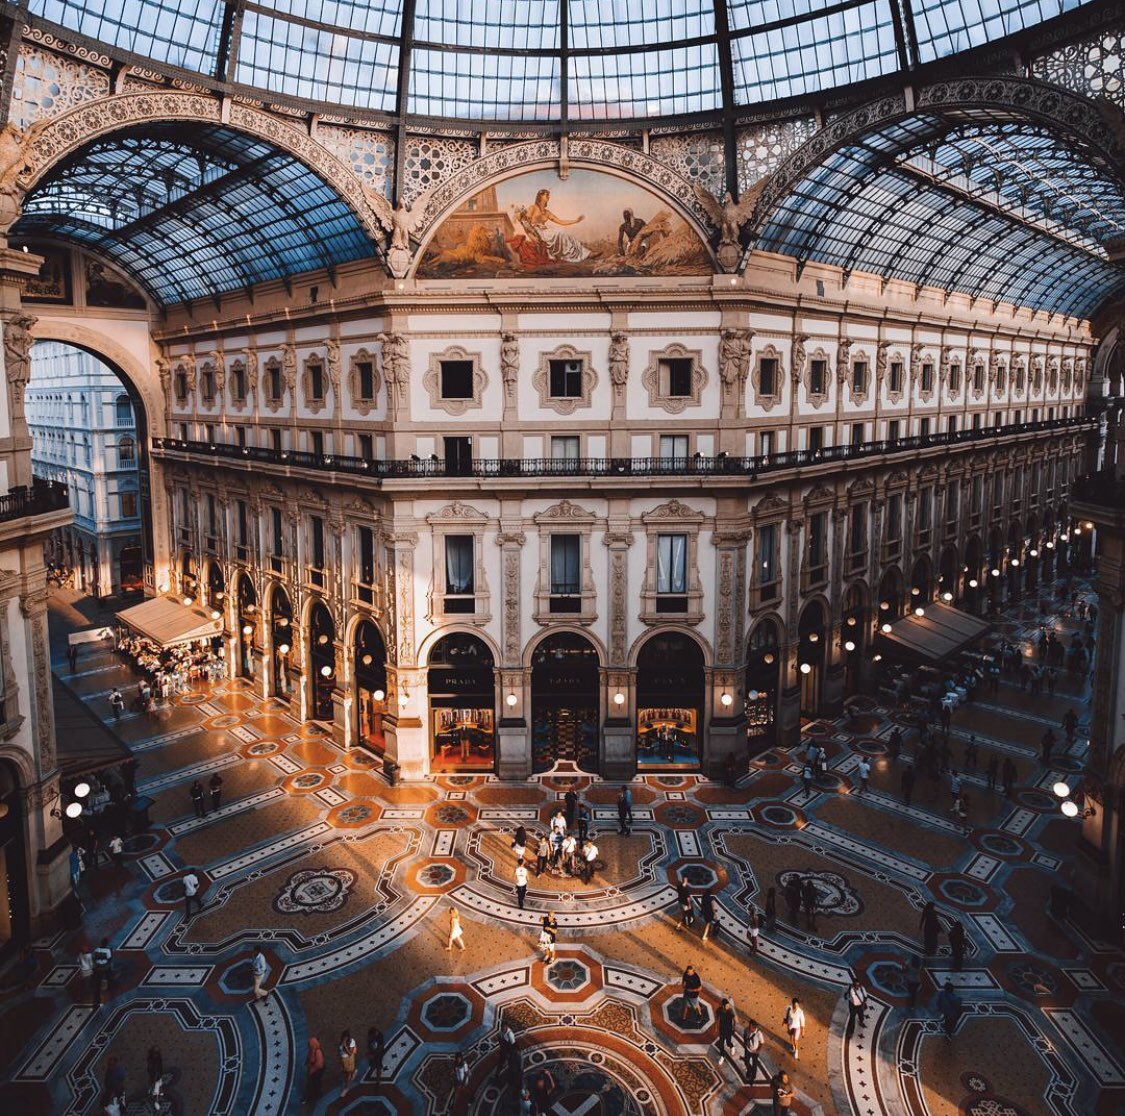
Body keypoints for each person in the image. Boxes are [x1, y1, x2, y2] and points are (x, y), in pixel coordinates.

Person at [303, 1037, 325, 1107]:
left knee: (312, 1084)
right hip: (313, 1071)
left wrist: (312, 1067)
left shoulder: (317, 1052)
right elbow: (309, 1059)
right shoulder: (311, 1051)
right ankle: (315, 1094)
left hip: (316, 1071)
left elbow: (319, 1065)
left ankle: (311, 1096)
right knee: (313, 1083)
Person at [92, 937, 113, 1007]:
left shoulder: (96, 950)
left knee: (97, 982)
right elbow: (109, 958)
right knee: (109, 975)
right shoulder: (107, 951)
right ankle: (110, 985)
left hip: (98, 967)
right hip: (105, 967)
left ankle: (97, 998)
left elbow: (94, 958)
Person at [743, 1019, 764, 1083]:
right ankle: (749, 1070)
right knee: (746, 1061)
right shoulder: (746, 1030)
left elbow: (762, 1042)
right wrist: (746, 1043)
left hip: (755, 1051)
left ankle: (753, 1076)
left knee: (754, 1064)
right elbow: (744, 1035)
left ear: (754, 1028)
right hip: (748, 1050)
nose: (749, 1028)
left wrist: (757, 1050)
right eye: (749, 1026)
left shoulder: (759, 1033)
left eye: (750, 1027)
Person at [338, 1030, 357, 1097]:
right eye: (343, 1037)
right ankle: (353, 1072)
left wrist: (345, 1046)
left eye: (346, 1037)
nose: (344, 1039)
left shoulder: (351, 1041)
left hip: (348, 1059)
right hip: (343, 1059)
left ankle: (346, 1088)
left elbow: (349, 1053)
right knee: (346, 1073)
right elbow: (339, 1051)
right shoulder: (341, 1042)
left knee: (347, 1074)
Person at [716, 997, 736, 1063]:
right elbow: (717, 1019)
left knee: (728, 1042)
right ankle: (722, 1056)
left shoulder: (730, 1011)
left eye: (728, 1005)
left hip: (729, 1030)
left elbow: (735, 1020)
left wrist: (734, 1027)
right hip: (722, 1029)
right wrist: (716, 1027)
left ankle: (732, 1047)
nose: (728, 1006)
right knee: (721, 1044)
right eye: (726, 1005)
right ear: (723, 1006)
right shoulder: (719, 1011)